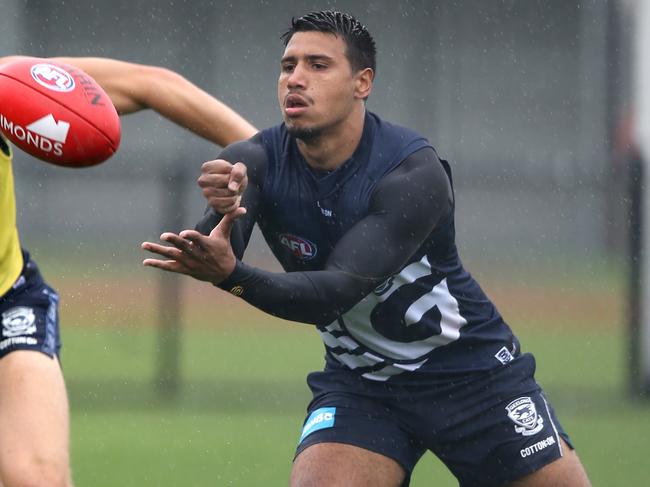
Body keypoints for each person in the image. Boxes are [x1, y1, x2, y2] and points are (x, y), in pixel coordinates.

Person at [141, 10, 592, 487]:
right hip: (363, 385)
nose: (295, 79)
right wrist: (222, 212)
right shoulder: (253, 161)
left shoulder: (412, 174)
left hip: (473, 378)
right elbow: (219, 243)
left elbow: (336, 291)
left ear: (362, 82)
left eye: (317, 65)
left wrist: (233, 276)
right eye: (287, 65)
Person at [0, 55, 256, 487]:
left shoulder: (7, 82)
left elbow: (150, 83)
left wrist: (274, 161)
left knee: (37, 478)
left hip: (9, 303)